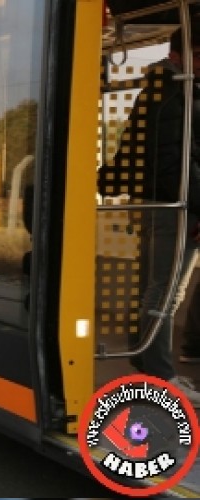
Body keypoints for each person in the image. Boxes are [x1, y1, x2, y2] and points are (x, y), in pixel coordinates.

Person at [111, 27, 200, 405]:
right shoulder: (173, 91)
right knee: (166, 290)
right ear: (190, 52)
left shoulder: (161, 87)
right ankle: (160, 374)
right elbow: (175, 162)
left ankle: (146, 359)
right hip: (172, 206)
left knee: (154, 285)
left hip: (157, 202)